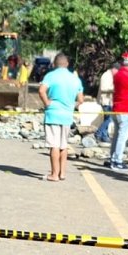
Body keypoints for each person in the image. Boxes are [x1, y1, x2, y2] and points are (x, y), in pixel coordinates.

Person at [37, 52, 83, 182]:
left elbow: (41, 90)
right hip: (67, 115)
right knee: (63, 144)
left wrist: (47, 102)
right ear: (67, 64)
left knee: (54, 145)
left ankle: (54, 174)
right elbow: (80, 99)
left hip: (53, 113)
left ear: (54, 64)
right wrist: (70, 105)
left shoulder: (51, 76)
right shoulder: (75, 78)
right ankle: (62, 173)